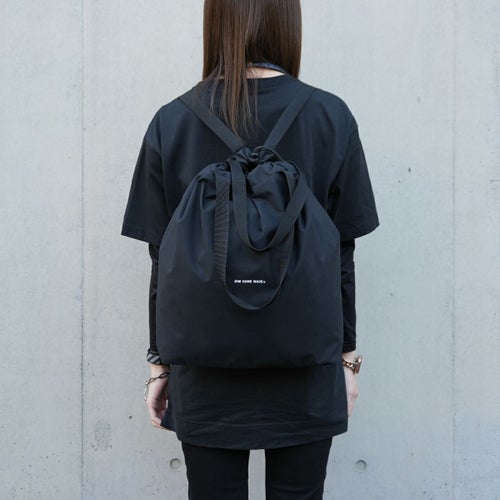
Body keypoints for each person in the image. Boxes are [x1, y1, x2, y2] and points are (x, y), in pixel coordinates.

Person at [121, 0, 379, 498]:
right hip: (305, 365)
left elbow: (163, 260)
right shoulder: (330, 116)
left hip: (206, 367)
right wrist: (346, 361)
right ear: (288, 23)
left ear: (215, 22)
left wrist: (160, 364)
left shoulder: (172, 122)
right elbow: (341, 256)